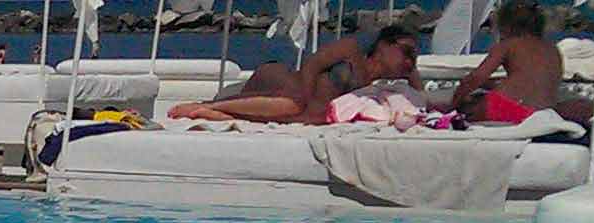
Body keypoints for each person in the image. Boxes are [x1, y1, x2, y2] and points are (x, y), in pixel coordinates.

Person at [167, 26, 422, 125]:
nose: (410, 61)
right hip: (283, 79)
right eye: (407, 52)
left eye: (414, 57)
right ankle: (205, 105)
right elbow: (312, 64)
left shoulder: (374, 83)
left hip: (300, 104)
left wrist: (411, 68)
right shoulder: (351, 50)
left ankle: (216, 112)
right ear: (384, 45)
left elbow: (420, 97)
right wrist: (303, 95)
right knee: (294, 106)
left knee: (305, 114)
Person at [450, 0, 561, 123]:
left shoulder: (508, 45)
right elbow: (531, 80)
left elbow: (476, 77)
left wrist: (454, 102)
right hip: (543, 112)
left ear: (506, 26)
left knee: (468, 108)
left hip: (509, 108)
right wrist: (491, 84)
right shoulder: (552, 49)